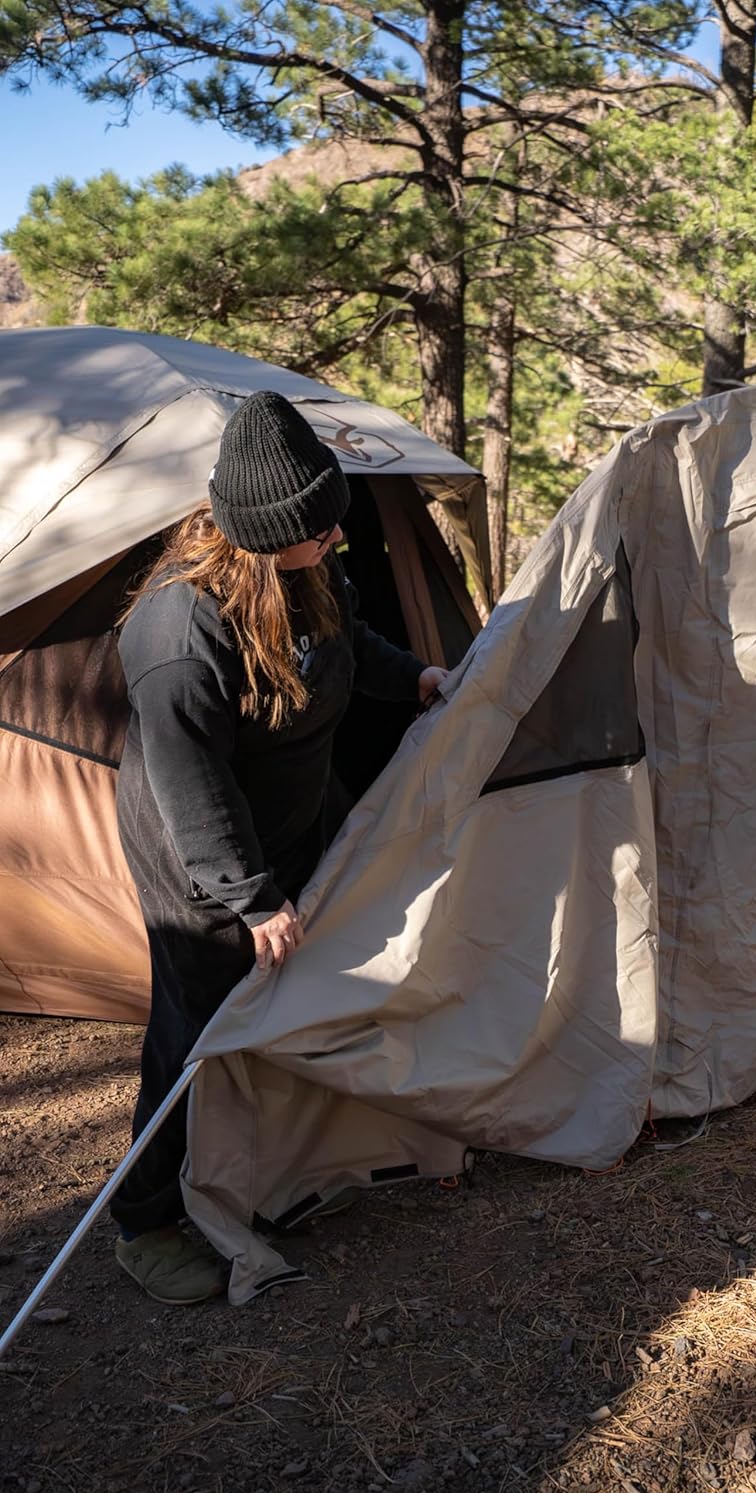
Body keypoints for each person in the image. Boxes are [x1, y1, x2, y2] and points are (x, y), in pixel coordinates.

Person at [110, 391, 449, 1304]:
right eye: (322, 531)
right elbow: (192, 788)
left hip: (292, 814)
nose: (339, 541)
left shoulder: (303, 570)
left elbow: (344, 643)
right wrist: (249, 899)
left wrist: (413, 675)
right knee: (201, 1028)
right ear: (265, 535)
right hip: (203, 862)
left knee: (298, 1001)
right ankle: (144, 1219)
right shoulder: (178, 637)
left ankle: (261, 1173)